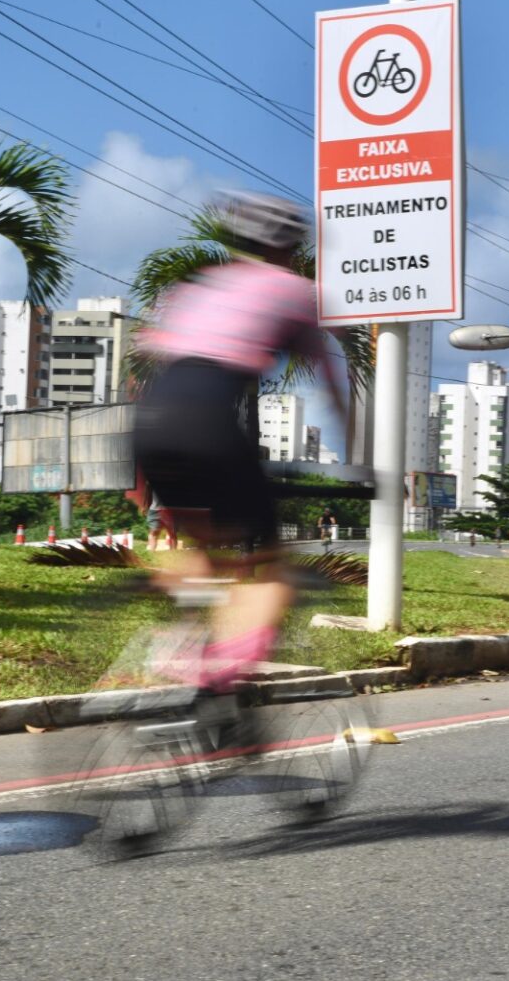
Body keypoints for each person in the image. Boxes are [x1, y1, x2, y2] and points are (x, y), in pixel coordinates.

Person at [134, 190, 345, 701]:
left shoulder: (198, 286)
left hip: (150, 422)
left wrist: (141, 475)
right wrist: (365, 457)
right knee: (273, 563)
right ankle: (220, 675)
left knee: (201, 547)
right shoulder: (297, 291)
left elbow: (144, 368)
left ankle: (176, 642)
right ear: (293, 248)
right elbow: (334, 389)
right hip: (207, 421)